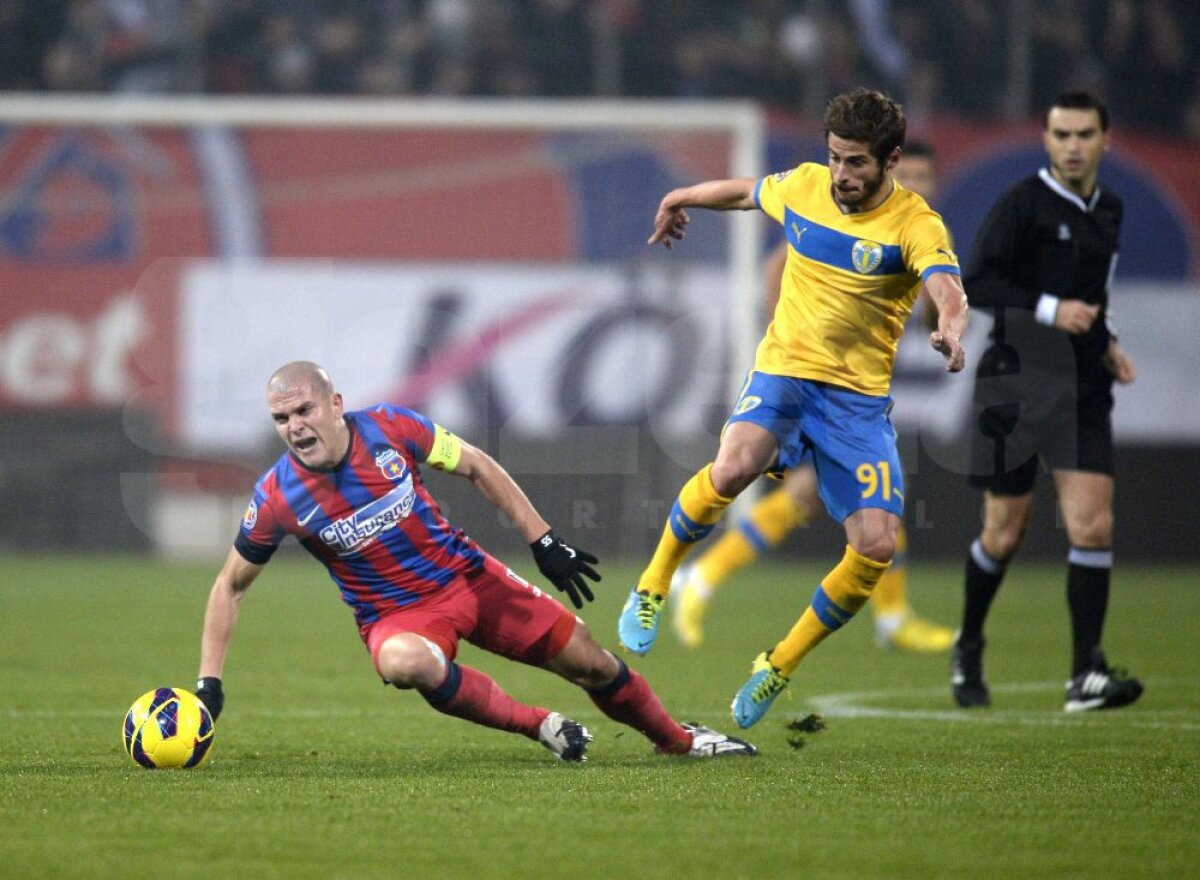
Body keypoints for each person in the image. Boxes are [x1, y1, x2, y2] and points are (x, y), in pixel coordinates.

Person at [617, 88, 969, 729]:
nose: (841, 175)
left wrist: (950, 324)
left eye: (857, 163)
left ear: (889, 162)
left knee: (875, 546)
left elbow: (948, 287)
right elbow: (746, 192)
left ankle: (777, 664)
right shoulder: (805, 187)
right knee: (732, 467)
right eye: (835, 158)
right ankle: (653, 584)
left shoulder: (916, 224)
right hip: (785, 372)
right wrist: (680, 197)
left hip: (856, 404)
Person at [193, 361, 756, 761]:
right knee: (403, 664)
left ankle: (678, 741)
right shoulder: (277, 497)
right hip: (398, 616)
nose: (295, 427)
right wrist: (209, 684)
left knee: (591, 661)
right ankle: (541, 726)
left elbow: (478, 465)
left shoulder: (391, 428)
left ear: (335, 405)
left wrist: (543, 540)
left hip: (468, 577)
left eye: (304, 410)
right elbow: (230, 587)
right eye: (281, 418)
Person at [670, 141, 956, 654]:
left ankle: (706, 577)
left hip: (856, 385)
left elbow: (939, 305)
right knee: (854, 500)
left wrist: (944, 323)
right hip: (805, 377)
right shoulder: (837, 211)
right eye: (907, 171)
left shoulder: (919, 228)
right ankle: (706, 576)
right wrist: (795, 338)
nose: (915, 182)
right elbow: (775, 266)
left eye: (924, 174)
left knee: (838, 501)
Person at [951, 91, 1143, 712]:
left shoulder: (1110, 209)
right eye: (1062, 134)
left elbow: (1095, 295)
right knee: (1005, 533)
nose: (1073, 145)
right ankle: (969, 644)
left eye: (1085, 134)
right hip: (1015, 380)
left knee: (1093, 524)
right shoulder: (1022, 205)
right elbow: (976, 282)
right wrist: (1051, 310)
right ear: (1046, 139)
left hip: (1084, 385)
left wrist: (1105, 339)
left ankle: (1085, 675)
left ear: (1105, 139)